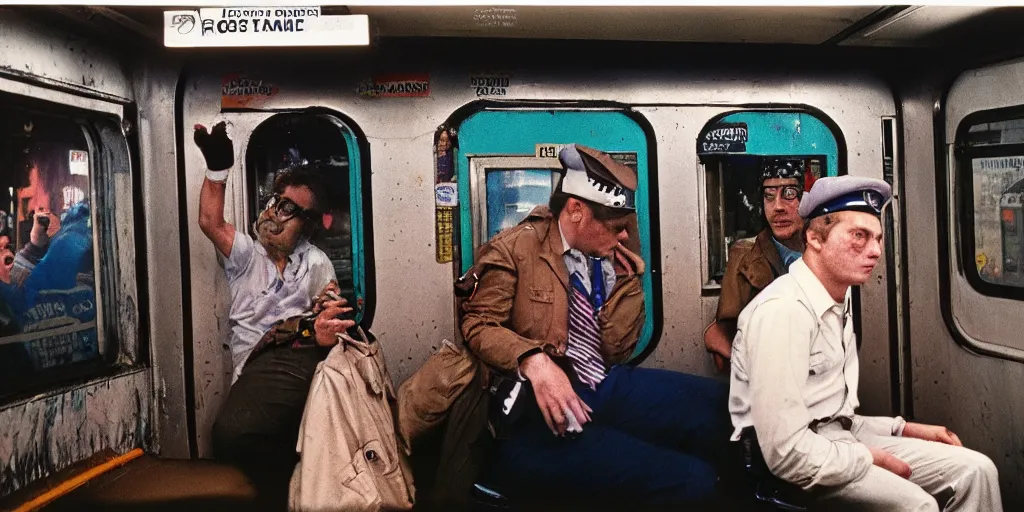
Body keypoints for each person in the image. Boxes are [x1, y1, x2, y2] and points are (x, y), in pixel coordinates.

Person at [461, 144, 731, 508]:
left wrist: (627, 284)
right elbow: (478, 325)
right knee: (692, 480)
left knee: (723, 406)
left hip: (602, 383)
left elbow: (617, 348)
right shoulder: (516, 249)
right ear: (576, 211)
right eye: (617, 228)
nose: (624, 237)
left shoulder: (605, 258)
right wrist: (534, 362)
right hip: (538, 413)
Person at [729, 176, 1002, 511]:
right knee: (918, 506)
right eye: (859, 236)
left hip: (840, 438)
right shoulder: (784, 312)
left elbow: (831, 415)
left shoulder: (836, 301)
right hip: (791, 462)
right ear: (814, 238)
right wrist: (866, 458)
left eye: (877, 238)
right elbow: (786, 455)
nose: (875, 251)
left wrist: (903, 428)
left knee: (977, 471)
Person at [192, 122, 355, 503]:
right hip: (255, 374)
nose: (274, 214)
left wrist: (326, 323)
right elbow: (210, 222)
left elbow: (329, 314)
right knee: (235, 440)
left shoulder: (316, 264)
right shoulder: (248, 256)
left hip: (296, 370)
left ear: (308, 225)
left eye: (289, 210)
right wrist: (217, 171)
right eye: (274, 202)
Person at [705, 157, 809, 371]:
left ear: (807, 200)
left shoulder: (826, 251)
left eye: (789, 194)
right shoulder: (745, 256)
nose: (777, 207)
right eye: (769, 196)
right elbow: (723, 339)